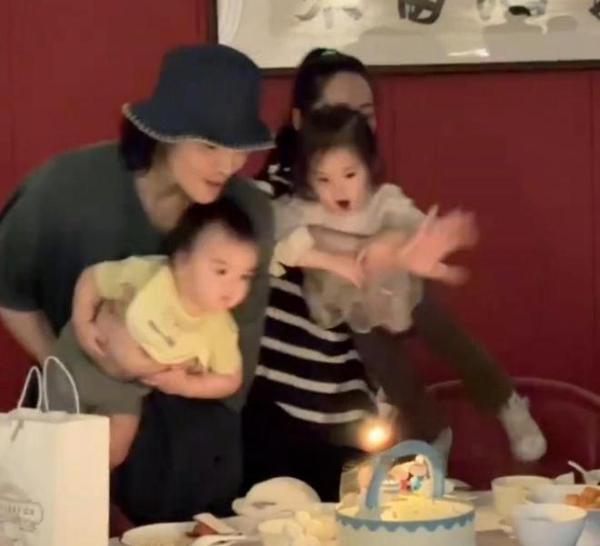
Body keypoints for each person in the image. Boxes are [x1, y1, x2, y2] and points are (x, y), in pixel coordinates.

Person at [243, 48, 546, 501]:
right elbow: (282, 239)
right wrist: (363, 253)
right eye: (336, 113)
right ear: (301, 120)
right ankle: (434, 428)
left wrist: (401, 247)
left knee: (430, 320)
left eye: (365, 115)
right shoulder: (265, 200)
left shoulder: (376, 196)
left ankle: (500, 403)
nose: (352, 127)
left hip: (352, 428)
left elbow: (406, 224)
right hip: (283, 425)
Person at [0, 44, 274, 524]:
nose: (229, 164)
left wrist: (168, 377)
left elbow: (235, 370)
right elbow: (7, 287)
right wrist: (74, 366)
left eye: (240, 148)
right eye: (210, 146)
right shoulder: (65, 188)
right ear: (163, 133)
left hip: (193, 452)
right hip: (84, 427)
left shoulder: (249, 212)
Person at [48, 198, 258, 469]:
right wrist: (83, 322)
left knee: (115, 450)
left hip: (126, 390)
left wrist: (187, 385)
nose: (234, 287)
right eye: (222, 271)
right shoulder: (148, 276)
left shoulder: (219, 328)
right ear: (182, 260)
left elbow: (230, 379)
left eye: (244, 276)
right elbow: (93, 279)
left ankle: (87, 483)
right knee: (56, 439)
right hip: (77, 361)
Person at [270, 104, 476, 335]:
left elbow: (410, 226)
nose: (339, 190)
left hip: (393, 296)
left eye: (350, 175)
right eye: (323, 180)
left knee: (440, 329)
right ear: (307, 177)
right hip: (338, 306)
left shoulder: (384, 200)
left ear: (369, 167)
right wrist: (331, 261)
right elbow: (277, 246)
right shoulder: (304, 209)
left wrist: (397, 242)